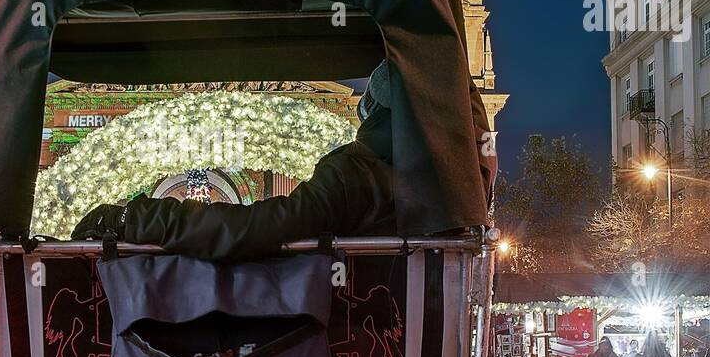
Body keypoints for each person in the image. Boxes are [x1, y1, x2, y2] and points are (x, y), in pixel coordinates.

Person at [73, 61, 496, 260]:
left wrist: (137, 216)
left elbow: (256, 228)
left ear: (380, 113)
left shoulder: (361, 176)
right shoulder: (457, 190)